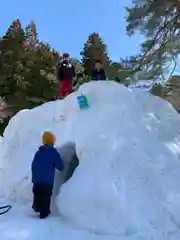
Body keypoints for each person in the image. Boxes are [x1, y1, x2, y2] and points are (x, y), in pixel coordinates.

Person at [31, 131, 64, 219]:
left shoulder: (39, 152)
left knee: (38, 194)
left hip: (37, 180)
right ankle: (44, 213)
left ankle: (37, 207)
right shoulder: (53, 152)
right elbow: (60, 166)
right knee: (45, 196)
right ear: (52, 141)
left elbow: (34, 165)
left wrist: (34, 177)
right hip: (47, 181)